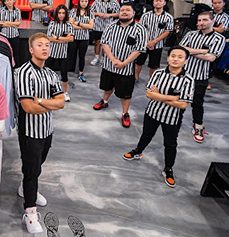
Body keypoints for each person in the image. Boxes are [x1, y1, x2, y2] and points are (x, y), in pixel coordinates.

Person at [123, 46, 194, 188]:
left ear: (185, 61)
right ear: (168, 58)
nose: (175, 59)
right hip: (153, 113)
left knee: (170, 143)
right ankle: (138, 151)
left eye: (180, 57)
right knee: (146, 134)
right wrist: (172, 98)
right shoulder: (158, 73)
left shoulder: (188, 80)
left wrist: (158, 95)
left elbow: (182, 105)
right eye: (173, 55)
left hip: (172, 118)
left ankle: (168, 168)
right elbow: (149, 94)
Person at [15, 32, 65, 234]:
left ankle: (25, 189)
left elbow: (61, 102)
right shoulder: (23, 72)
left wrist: (42, 101)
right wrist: (48, 103)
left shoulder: (51, 73)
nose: (45, 48)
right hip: (30, 131)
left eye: (47, 45)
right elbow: (28, 107)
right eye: (40, 45)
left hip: (47, 129)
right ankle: (30, 211)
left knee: (36, 166)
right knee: (32, 170)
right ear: (30, 49)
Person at [93, 2, 147, 128]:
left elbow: (139, 49)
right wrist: (112, 59)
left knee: (125, 94)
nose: (124, 12)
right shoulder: (111, 26)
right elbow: (104, 43)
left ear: (133, 13)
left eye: (128, 10)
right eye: (122, 10)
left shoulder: (140, 29)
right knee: (107, 87)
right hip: (108, 65)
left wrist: (124, 63)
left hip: (126, 69)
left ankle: (125, 113)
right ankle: (104, 101)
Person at [179, 11, 225, 143]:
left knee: (197, 103)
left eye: (204, 20)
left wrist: (190, 51)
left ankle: (198, 126)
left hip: (201, 76)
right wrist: (202, 50)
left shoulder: (218, 38)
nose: (200, 23)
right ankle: (173, 122)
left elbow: (211, 57)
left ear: (212, 21)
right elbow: (181, 49)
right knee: (178, 100)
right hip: (183, 74)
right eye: (199, 20)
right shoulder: (190, 34)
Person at [135, 0, 174, 81]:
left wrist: (154, 42)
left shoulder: (168, 17)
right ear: (153, 3)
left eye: (160, 1)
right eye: (156, 0)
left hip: (158, 45)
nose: (158, 2)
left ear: (164, 3)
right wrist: (147, 42)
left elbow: (167, 31)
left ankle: (152, 81)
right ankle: (136, 78)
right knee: (138, 62)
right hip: (143, 44)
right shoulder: (145, 15)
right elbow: (140, 29)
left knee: (154, 65)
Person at [46, 4, 74, 101]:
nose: (61, 15)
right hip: (52, 52)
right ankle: (46, 90)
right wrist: (64, 39)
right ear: (56, 14)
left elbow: (71, 39)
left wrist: (57, 38)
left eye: (63, 13)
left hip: (63, 54)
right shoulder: (52, 24)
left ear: (66, 14)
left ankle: (65, 93)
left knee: (64, 75)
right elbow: (49, 38)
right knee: (48, 72)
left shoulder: (69, 25)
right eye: (59, 13)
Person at [69, 0, 94, 83]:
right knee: (70, 54)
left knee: (82, 56)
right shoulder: (73, 11)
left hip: (84, 38)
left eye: (86, 1)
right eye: (82, 1)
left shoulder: (90, 12)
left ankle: (81, 73)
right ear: (79, 2)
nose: (84, 3)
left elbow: (91, 26)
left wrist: (78, 23)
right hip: (74, 37)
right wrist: (84, 27)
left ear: (88, 2)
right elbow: (70, 24)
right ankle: (66, 72)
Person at [89, 0, 120, 66]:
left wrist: (109, 15)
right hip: (97, 26)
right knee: (97, 42)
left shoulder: (114, 2)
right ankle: (96, 58)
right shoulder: (97, 2)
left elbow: (119, 13)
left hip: (108, 27)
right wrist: (98, 14)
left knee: (106, 44)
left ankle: (104, 59)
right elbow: (90, 12)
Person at [0, 0, 22, 67]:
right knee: (5, 54)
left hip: (15, 36)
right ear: (5, 2)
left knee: (16, 54)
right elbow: (0, 23)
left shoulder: (17, 10)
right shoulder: (1, 11)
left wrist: (6, 23)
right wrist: (13, 23)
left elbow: (18, 23)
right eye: (7, 1)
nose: (9, 2)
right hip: (4, 37)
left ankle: (16, 69)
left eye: (11, 0)